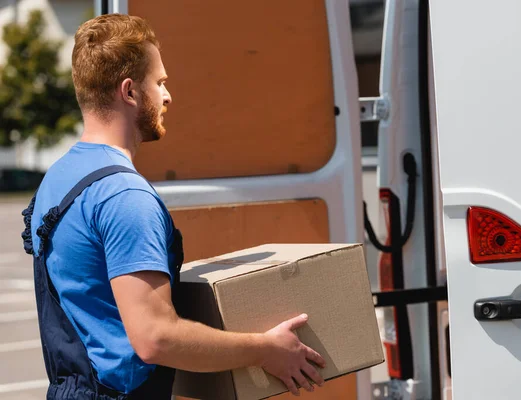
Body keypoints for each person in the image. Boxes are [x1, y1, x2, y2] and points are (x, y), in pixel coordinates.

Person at [21, 13, 325, 399]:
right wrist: (266, 350)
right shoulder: (124, 197)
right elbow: (156, 338)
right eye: (160, 82)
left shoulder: (59, 177)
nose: (168, 96)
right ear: (130, 92)